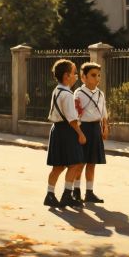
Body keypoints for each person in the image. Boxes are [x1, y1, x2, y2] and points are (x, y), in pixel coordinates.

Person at [43, 59, 87, 209]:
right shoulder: (68, 94)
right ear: (67, 75)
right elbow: (72, 119)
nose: (76, 76)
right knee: (75, 163)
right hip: (67, 131)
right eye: (74, 73)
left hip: (57, 130)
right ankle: (67, 195)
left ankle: (50, 195)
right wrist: (80, 133)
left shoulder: (57, 90)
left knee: (58, 166)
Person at [73, 62, 107, 204]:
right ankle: (76, 191)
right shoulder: (78, 93)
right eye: (93, 75)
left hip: (95, 128)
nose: (97, 78)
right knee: (80, 162)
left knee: (92, 162)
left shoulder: (100, 93)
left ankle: (89, 192)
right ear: (83, 77)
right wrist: (79, 133)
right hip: (83, 128)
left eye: (98, 75)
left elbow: (104, 112)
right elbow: (76, 114)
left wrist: (105, 126)